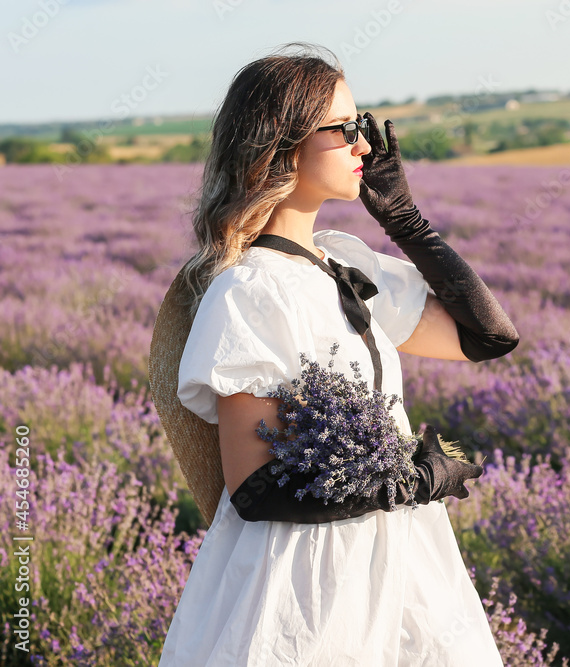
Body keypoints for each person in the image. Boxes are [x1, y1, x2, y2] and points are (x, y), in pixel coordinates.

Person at [154, 42, 518, 666]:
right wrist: (410, 481)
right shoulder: (250, 290)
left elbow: (488, 337)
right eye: (345, 129)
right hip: (305, 592)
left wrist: (406, 221)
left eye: (364, 125)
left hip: (400, 565)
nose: (366, 146)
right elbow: (256, 489)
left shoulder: (346, 263)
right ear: (282, 146)